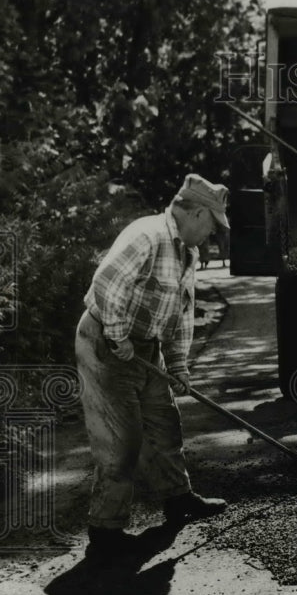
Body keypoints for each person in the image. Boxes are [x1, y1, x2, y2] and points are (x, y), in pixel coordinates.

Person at [75, 173, 231, 558]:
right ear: (195, 213)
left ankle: (178, 500)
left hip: (143, 349)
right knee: (122, 438)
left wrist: (178, 365)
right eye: (211, 227)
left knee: (165, 423)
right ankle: (105, 529)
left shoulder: (186, 254)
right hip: (105, 343)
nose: (210, 237)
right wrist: (117, 335)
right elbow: (106, 282)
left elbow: (179, 314)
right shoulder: (146, 235)